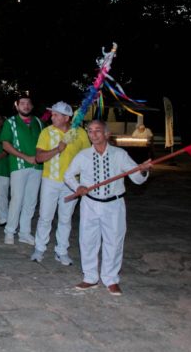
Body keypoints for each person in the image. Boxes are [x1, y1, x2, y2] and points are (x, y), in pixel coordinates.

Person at [64, 120, 152, 296]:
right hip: (90, 203)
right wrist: (78, 187)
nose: (93, 134)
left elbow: (137, 179)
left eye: (97, 131)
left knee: (114, 241)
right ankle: (90, 277)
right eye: (90, 131)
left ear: (107, 134)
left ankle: (111, 279)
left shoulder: (119, 154)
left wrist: (142, 170)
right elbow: (68, 175)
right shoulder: (83, 155)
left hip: (114, 204)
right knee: (88, 240)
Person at [30, 101, 90, 265]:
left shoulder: (80, 133)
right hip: (50, 180)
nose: (52, 117)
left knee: (65, 219)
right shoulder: (46, 132)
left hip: (72, 184)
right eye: (53, 113)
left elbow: (88, 158)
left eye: (56, 114)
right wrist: (58, 148)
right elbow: (39, 158)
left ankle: (61, 251)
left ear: (66, 118)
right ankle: (39, 248)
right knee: (45, 217)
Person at [1, 95, 43, 245]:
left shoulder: (39, 122)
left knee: (31, 201)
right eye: (22, 103)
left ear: (32, 106)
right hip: (18, 166)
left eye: (28, 103)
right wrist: (25, 157)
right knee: (17, 199)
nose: (25, 106)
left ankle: (25, 233)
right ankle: (10, 231)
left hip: (37, 166)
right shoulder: (10, 122)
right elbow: (5, 144)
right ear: (17, 106)